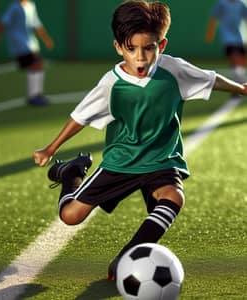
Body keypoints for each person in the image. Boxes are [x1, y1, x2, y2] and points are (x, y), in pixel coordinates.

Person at [34, 0, 247, 280]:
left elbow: (211, 79)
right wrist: (51, 148)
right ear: (118, 47)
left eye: (149, 48)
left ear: (162, 45)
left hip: (161, 160)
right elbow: (80, 117)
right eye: (132, 49)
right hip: (122, 161)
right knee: (70, 216)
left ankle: (129, 256)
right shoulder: (111, 83)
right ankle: (71, 172)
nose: (141, 57)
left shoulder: (174, 69)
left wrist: (241, 89)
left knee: (173, 196)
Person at [0, 0, 54, 106]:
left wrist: (46, 39)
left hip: (31, 42)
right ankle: (33, 96)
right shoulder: (14, 7)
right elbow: (3, 23)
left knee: (37, 65)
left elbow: (36, 25)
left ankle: (36, 94)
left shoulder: (30, 6)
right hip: (19, 42)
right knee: (35, 64)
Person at [205, 0, 247, 87]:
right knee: (233, 55)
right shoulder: (222, 3)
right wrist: (210, 32)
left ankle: (238, 79)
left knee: (240, 58)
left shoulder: (241, 4)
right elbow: (214, 18)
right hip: (227, 36)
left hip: (239, 35)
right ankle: (239, 79)